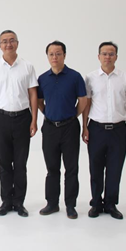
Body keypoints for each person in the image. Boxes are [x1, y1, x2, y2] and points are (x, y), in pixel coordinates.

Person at [82, 41, 126, 220]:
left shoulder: (125, 78)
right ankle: (96, 203)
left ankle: (111, 204)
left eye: (111, 54)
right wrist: (84, 126)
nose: (107, 57)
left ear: (116, 57)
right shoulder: (90, 78)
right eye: (104, 54)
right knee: (95, 167)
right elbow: (87, 103)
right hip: (96, 128)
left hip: (118, 129)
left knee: (115, 168)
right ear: (98, 56)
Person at [0, 30, 38, 217]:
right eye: (4, 41)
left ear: (17, 43)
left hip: (23, 118)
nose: (8, 44)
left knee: (20, 163)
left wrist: (34, 120)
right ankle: (6, 201)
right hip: (1, 118)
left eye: (11, 41)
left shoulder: (27, 66)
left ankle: (19, 202)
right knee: (4, 163)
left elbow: (33, 94)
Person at [37, 40, 87, 219]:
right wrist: (49, 114)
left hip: (70, 127)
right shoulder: (42, 79)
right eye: (51, 54)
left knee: (71, 168)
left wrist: (72, 115)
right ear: (47, 56)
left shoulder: (75, 77)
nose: (55, 57)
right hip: (50, 127)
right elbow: (39, 102)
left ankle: (71, 205)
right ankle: (52, 203)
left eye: (58, 54)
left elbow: (83, 100)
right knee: (52, 168)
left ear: (64, 55)